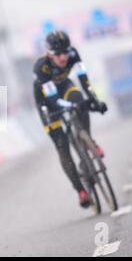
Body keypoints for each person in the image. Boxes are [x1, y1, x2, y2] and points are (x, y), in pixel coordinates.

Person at [32, 30, 108, 208]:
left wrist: (94, 100)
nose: (63, 57)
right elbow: (52, 99)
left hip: (65, 86)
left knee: (79, 98)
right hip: (46, 100)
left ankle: (88, 140)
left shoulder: (74, 54)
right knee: (62, 146)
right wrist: (67, 107)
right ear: (49, 54)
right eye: (58, 54)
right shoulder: (41, 67)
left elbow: (84, 81)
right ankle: (81, 191)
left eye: (65, 51)